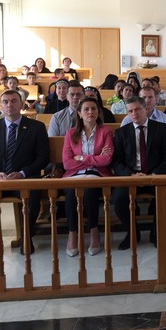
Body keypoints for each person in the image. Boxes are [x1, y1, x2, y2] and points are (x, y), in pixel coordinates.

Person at [0, 90, 49, 258]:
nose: (9, 105)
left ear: (21, 104)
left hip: (24, 178)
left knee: (33, 195)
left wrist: (22, 173)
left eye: (14, 101)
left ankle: (27, 237)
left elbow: (43, 158)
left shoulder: (36, 127)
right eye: (5, 102)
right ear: (1, 106)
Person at [112, 96, 166, 249]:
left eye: (138, 109)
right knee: (118, 199)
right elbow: (116, 161)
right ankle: (133, 232)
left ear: (145, 109)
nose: (134, 114)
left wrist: (153, 175)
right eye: (130, 111)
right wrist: (131, 175)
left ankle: (156, 233)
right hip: (132, 176)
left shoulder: (161, 129)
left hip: (154, 175)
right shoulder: (121, 133)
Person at [62, 96, 114, 257]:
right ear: (79, 113)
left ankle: (94, 232)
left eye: (94, 109)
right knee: (71, 195)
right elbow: (67, 164)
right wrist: (94, 159)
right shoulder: (71, 133)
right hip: (74, 176)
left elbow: (107, 160)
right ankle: (72, 234)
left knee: (91, 192)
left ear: (98, 112)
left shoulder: (105, 131)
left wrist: (82, 158)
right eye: (86, 109)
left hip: (97, 175)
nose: (90, 112)